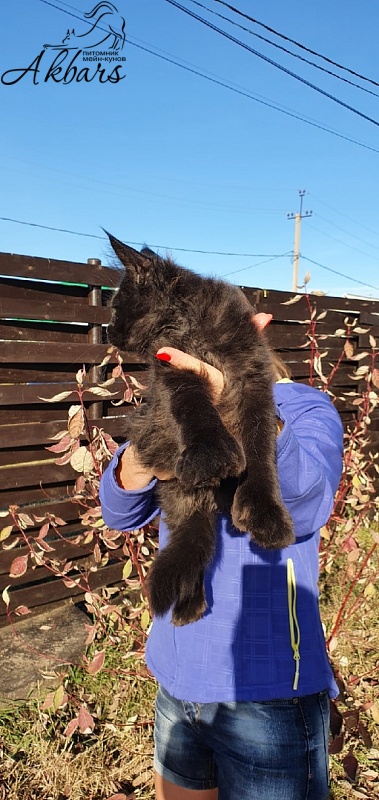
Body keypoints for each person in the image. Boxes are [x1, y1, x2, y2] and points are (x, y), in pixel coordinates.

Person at [99, 313, 344, 800]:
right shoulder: (174, 409)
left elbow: (305, 501)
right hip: (177, 674)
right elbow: (120, 510)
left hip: (268, 689)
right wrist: (148, 450)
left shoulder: (305, 408)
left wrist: (235, 410)